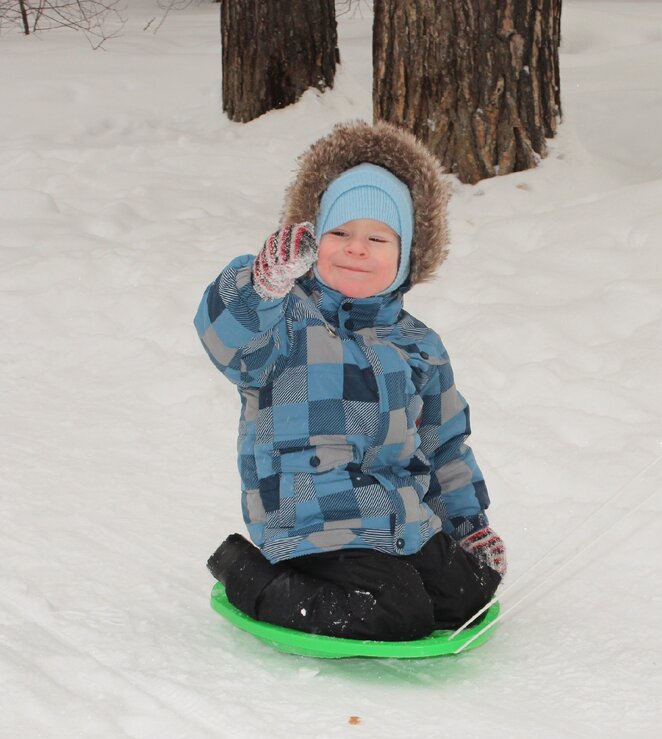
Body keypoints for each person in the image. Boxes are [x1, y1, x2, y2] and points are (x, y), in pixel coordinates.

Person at [195, 121, 506, 642]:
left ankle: (417, 574)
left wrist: (467, 527)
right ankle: (247, 572)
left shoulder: (419, 344)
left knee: (469, 595)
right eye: (339, 234)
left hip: (397, 516)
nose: (356, 249)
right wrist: (259, 286)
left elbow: (444, 445)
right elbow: (225, 336)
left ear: (405, 258)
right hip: (311, 518)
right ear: (313, 240)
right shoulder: (285, 319)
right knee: (396, 613)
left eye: (377, 238)